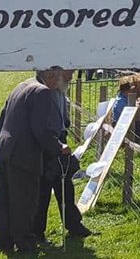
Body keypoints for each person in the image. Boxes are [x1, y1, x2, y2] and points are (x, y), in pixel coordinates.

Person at [0, 66, 69, 253]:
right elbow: (39, 130)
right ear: (51, 74)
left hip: (5, 148)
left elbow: (1, 119)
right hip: (24, 153)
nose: (59, 83)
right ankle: (24, 241)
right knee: (24, 200)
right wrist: (59, 146)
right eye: (58, 78)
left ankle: (5, 239)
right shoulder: (42, 92)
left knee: (6, 199)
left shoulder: (22, 85)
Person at [38, 69, 92, 240]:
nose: (72, 76)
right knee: (44, 188)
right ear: (58, 72)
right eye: (70, 71)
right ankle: (37, 231)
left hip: (61, 141)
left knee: (66, 186)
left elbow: (63, 119)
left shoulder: (60, 90)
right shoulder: (45, 92)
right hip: (49, 143)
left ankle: (74, 224)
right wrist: (56, 144)